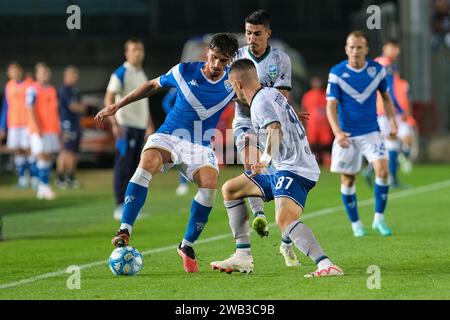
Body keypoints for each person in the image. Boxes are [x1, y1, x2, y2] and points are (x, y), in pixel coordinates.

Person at [95, 33, 239, 273]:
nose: (216, 65)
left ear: (230, 61)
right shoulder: (184, 71)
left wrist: (285, 114)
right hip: (170, 135)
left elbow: (257, 99)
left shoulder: (232, 83)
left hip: (200, 145)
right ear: (207, 53)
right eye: (213, 57)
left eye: (222, 61)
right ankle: (125, 229)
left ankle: (187, 245)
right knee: (147, 162)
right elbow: (152, 85)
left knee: (210, 182)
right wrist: (116, 106)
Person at [210, 59, 343, 277]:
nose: (233, 92)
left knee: (284, 219)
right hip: (284, 167)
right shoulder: (271, 93)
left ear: (239, 84)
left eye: (232, 86)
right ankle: (242, 256)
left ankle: (326, 265)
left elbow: (275, 129)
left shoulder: (259, 103)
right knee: (231, 189)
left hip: (295, 169)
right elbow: (282, 119)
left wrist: (265, 158)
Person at [232, 9, 303, 267]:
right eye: (248, 33)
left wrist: (290, 115)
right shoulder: (237, 57)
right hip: (244, 121)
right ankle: (259, 215)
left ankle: (286, 243)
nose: (251, 38)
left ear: (268, 33)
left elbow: (281, 96)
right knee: (252, 163)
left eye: (257, 33)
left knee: (283, 179)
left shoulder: (281, 59)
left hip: (273, 123)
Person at [326, 31, 398, 238]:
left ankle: (379, 220)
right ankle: (356, 224)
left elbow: (386, 98)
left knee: (383, 171)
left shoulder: (377, 70)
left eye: (359, 47)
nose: (355, 51)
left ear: (366, 50)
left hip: (371, 132)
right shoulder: (337, 72)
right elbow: (331, 105)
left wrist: (392, 121)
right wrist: (337, 132)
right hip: (347, 134)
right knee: (348, 180)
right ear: (346, 49)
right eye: (351, 47)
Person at [104, 38, 155, 220]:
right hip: (125, 127)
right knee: (123, 166)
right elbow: (108, 98)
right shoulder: (121, 72)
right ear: (127, 53)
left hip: (140, 127)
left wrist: (149, 124)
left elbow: (143, 103)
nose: (138, 53)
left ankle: (130, 206)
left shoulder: (141, 74)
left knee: (135, 168)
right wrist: (114, 123)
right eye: (134, 50)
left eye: (140, 49)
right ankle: (119, 205)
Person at [373, 39, 409, 187]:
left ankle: (387, 175)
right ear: (385, 47)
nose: (397, 51)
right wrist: (400, 110)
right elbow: (388, 90)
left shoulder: (377, 63)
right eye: (394, 47)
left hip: (379, 110)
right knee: (391, 142)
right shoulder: (385, 64)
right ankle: (388, 176)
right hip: (385, 111)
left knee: (390, 142)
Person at [26, 62, 61, 200]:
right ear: (37, 74)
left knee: (47, 156)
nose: (45, 75)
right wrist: (37, 126)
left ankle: (42, 186)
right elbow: (30, 108)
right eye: (42, 73)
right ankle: (43, 186)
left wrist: (57, 128)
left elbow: (54, 110)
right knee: (41, 155)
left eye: (47, 72)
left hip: (51, 128)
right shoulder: (32, 89)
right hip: (39, 129)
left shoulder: (51, 89)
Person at [0, 62, 36, 188]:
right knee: (18, 151)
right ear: (9, 73)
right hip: (14, 124)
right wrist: (2, 126)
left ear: (21, 71)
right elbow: (5, 107)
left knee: (29, 150)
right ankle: (22, 178)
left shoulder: (29, 84)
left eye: (17, 70)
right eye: (12, 71)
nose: (15, 73)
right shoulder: (8, 86)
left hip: (27, 123)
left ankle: (33, 177)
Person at [56, 65, 86, 189]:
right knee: (66, 151)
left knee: (74, 152)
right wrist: (81, 107)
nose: (75, 77)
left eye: (76, 75)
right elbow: (74, 106)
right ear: (66, 76)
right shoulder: (64, 90)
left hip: (76, 124)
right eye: (72, 75)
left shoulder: (76, 90)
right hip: (67, 124)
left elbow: (80, 107)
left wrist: (80, 107)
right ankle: (60, 178)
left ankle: (71, 178)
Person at [301, 77, 333, 166]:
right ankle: (315, 159)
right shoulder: (308, 95)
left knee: (325, 144)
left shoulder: (326, 95)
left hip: (324, 125)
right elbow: (304, 110)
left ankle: (326, 159)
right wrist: (303, 124)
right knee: (313, 144)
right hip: (312, 125)